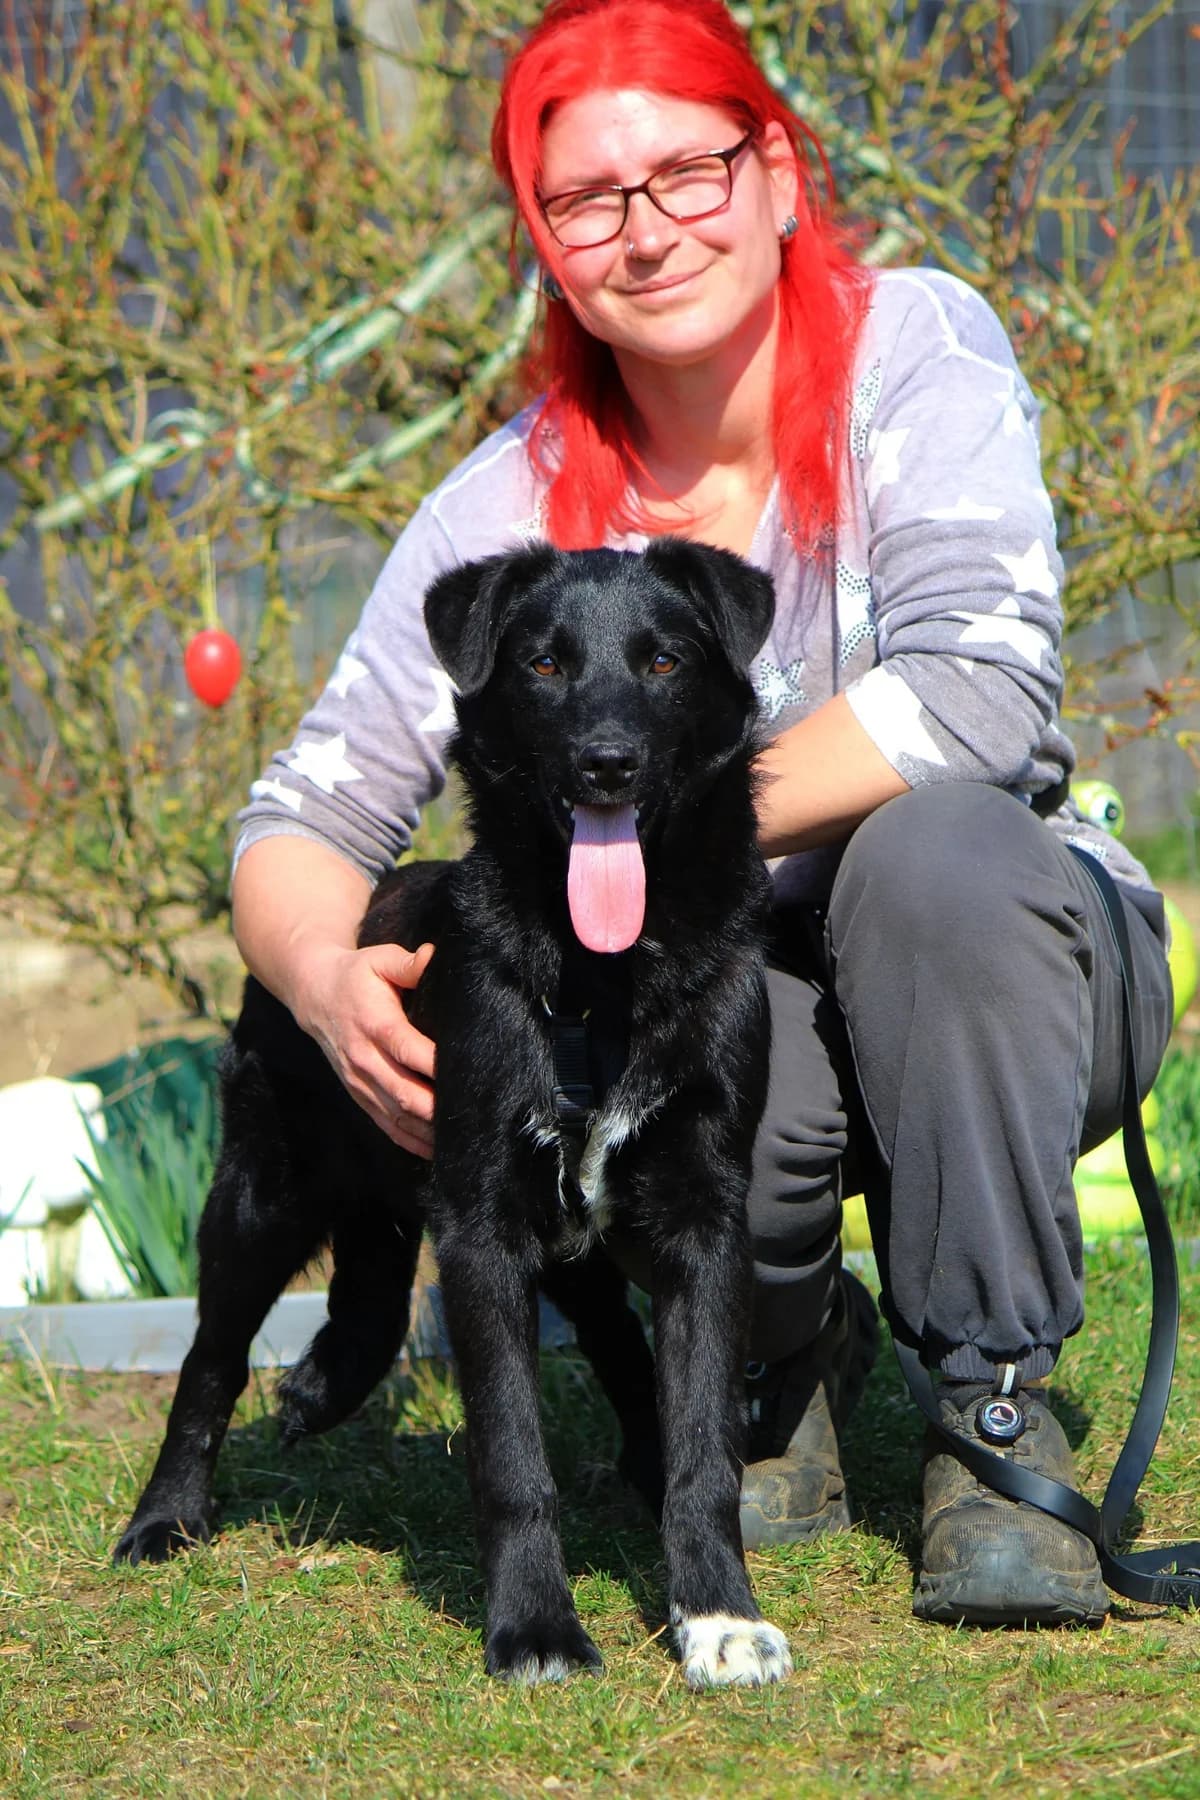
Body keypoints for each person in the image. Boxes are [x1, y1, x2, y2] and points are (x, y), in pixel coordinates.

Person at [231, 0, 1174, 1627]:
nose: (649, 229)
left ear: (779, 173)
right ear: (545, 245)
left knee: (938, 854)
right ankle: (775, 1361)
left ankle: (995, 1407)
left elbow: (979, 687)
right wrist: (326, 985)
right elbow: (302, 814)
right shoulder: (506, 507)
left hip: (1010, 971)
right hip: (731, 994)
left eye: (689, 171)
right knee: (678, 1019)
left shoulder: (915, 351)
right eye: (588, 201)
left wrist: (657, 822)